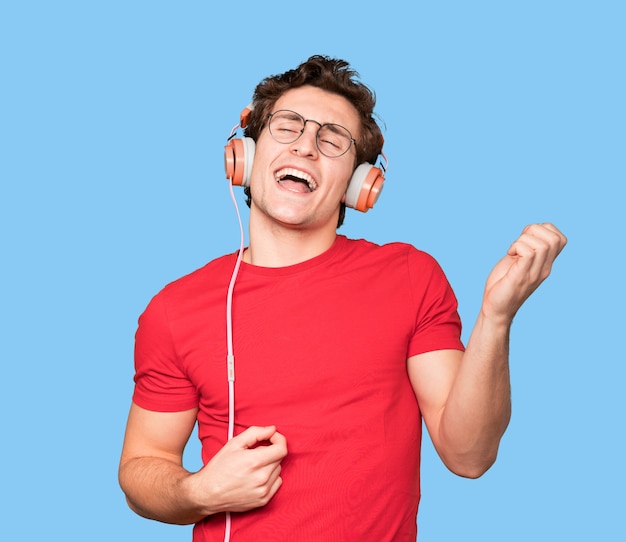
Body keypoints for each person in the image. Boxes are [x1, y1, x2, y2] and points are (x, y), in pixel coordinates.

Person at [118, 55, 567, 541]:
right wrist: (199, 493)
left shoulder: (410, 276)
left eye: (333, 139)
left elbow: (469, 455)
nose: (307, 148)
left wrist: (496, 317)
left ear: (359, 183)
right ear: (244, 154)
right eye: (287, 127)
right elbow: (143, 468)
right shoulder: (175, 309)